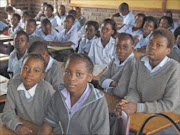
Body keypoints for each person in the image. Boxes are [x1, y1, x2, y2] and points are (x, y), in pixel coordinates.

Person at [39, 53, 110, 135]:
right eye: (68, 72)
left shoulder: (97, 102)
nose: (72, 78)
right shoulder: (59, 94)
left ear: (89, 77)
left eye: (78, 74)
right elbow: (48, 122)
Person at [116, 28, 180, 114]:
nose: (152, 47)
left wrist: (138, 107)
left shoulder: (174, 68)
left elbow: (169, 104)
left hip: (167, 117)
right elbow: (134, 91)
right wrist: (126, 103)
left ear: (168, 51)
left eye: (158, 45)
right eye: (150, 43)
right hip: (143, 112)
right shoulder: (140, 62)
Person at [1, 54, 55, 135]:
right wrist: (17, 126)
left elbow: (54, 120)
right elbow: (7, 113)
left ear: (42, 76)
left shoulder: (47, 90)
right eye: (26, 68)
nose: (29, 73)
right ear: (20, 70)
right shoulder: (14, 84)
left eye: (36, 70)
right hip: (25, 127)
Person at [99, 33, 135, 98]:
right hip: (111, 97)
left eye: (125, 47)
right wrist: (113, 83)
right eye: (117, 46)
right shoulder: (114, 60)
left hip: (121, 102)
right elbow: (101, 79)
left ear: (132, 48)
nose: (120, 50)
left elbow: (121, 92)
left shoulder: (131, 65)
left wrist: (107, 88)